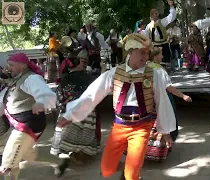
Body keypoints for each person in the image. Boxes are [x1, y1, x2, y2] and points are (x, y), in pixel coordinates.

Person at [56, 33, 176, 180]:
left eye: (147, 53)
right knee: (106, 170)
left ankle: (133, 174)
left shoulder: (154, 74)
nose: (146, 56)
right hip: (120, 126)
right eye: (142, 52)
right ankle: (128, 172)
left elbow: (162, 101)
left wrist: (165, 131)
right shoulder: (114, 73)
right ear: (131, 52)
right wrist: (70, 115)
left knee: (132, 175)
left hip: (142, 126)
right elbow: (92, 94)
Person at [0, 53, 56, 180]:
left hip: (28, 124)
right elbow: (3, 103)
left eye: (11, 65)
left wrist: (40, 102)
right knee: (28, 154)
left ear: (22, 65)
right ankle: (61, 162)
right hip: (20, 124)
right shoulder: (15, 81)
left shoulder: (31, 79)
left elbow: (47, 94)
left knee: (9, 161)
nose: (8, 68)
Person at [51, 50, 100, 177]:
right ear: (78, 64)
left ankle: (66, 159)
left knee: (66, 138)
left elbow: (59, 97)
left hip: (67, 112)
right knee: (82, 137)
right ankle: (77, 156)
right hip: (85, 112)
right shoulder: (88, 77)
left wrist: (63, 109)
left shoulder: (64, 79)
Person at [143, 0, 176, 69]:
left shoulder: (162, 22)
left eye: (157, 13)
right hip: (154, 46)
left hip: (164, 45)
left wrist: (171, 6)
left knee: (164, 64)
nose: (157, 14)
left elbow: (171, 17)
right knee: (155, 65)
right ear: (151, 15)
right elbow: (145, 36)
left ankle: (164, 76)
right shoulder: (148, 26)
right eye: (155, 13)